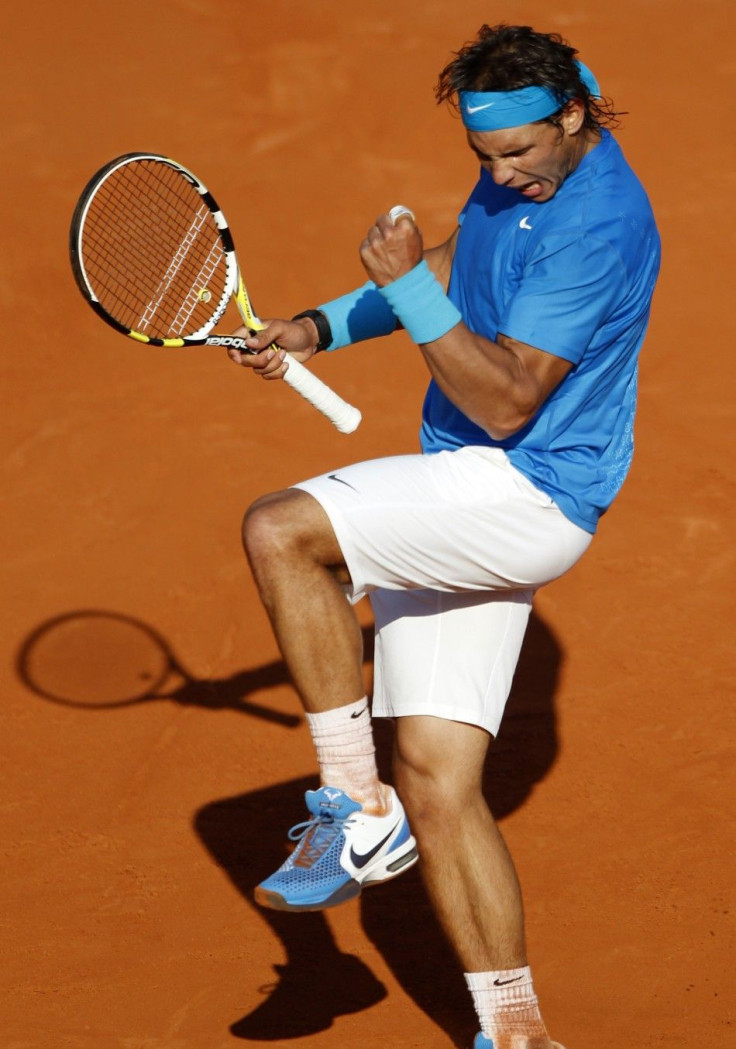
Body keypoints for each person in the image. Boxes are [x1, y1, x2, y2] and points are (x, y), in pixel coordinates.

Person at [227, 23, 660, 1049]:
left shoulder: (597, 224)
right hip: (474, 493)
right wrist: (320, 325)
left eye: (519, 154)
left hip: (521, 490)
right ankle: (516, 1027)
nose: (504, 175)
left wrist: (412, 293)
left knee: (282, 530)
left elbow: (509, 400)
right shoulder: (524, 170)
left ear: (572, 116)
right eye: (486, 159)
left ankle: (349, 802)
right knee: (436, 774)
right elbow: (450, 263)